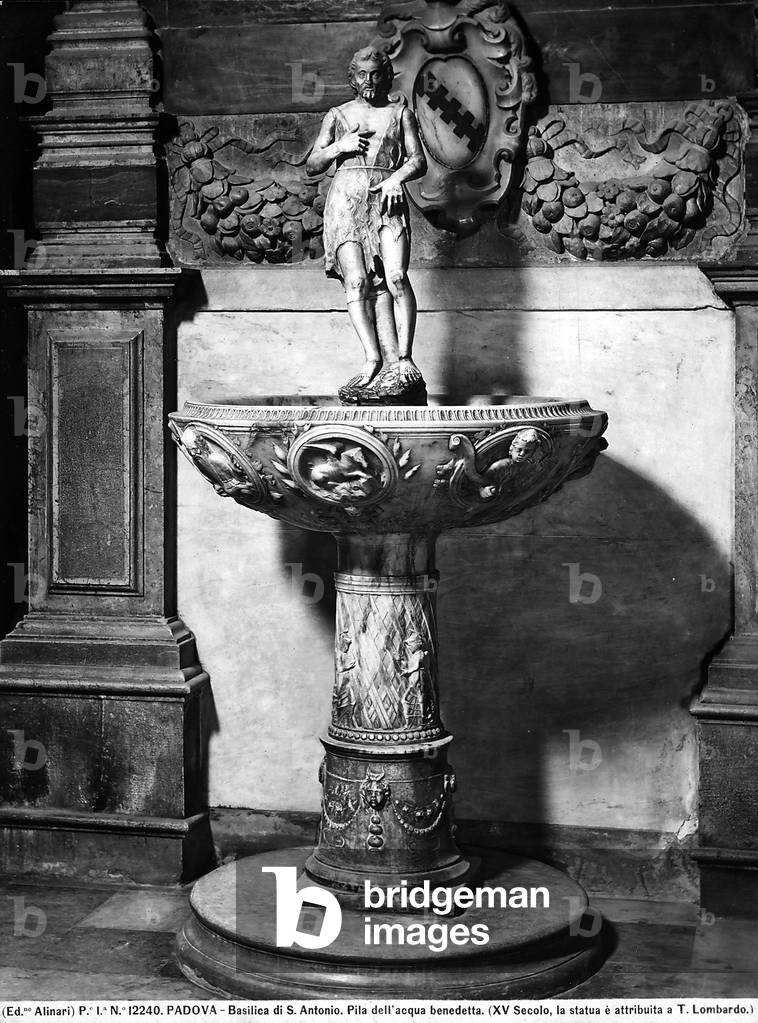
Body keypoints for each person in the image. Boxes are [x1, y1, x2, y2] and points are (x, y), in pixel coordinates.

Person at [306, 47, 428, 404]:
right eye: (362, 74)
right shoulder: (338, 115)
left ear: (387, 75)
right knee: (357, 281)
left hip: (386, 198)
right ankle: (373, 360)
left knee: (395, 277)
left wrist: (396, 179)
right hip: (345, 200)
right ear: (352, 77)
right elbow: (313, 164)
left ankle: (403, 359)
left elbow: (418, 161)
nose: (369, 81)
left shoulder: (399, 113)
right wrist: (337, 147)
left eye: (376, 74)